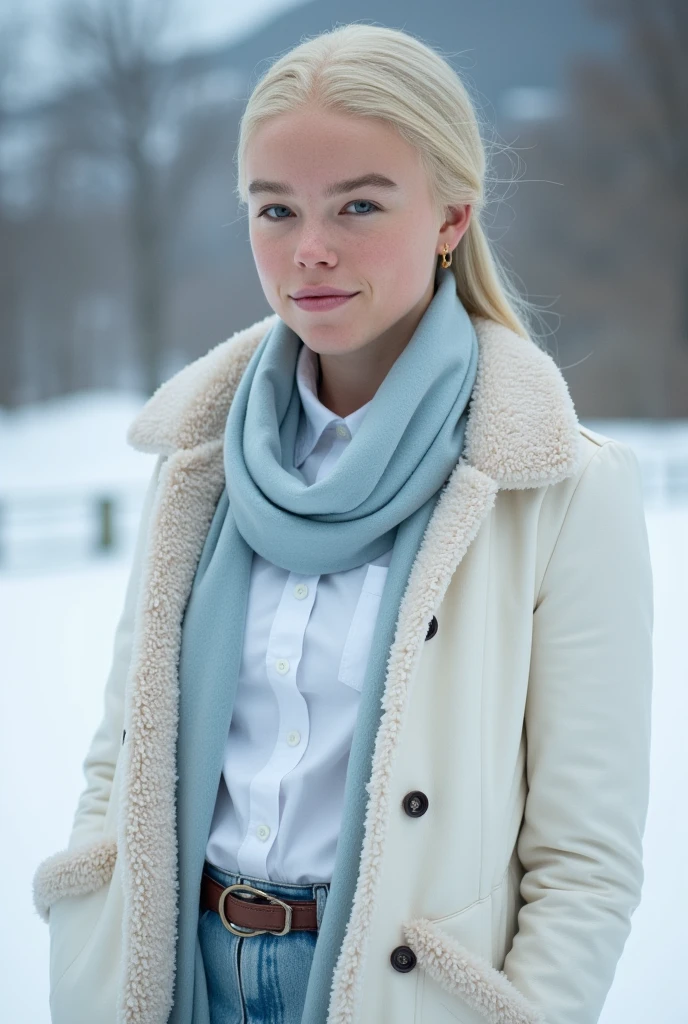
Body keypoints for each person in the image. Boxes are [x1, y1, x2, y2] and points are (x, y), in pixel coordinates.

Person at [32, 22, 654, 1024]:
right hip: (172, 977)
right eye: (274, 209)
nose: (308, 249)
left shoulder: (559, 489)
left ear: (453, 214)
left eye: (358, 205)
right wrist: (89, 932)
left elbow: (581, 860)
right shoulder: (198, 462)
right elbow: (122, 749)